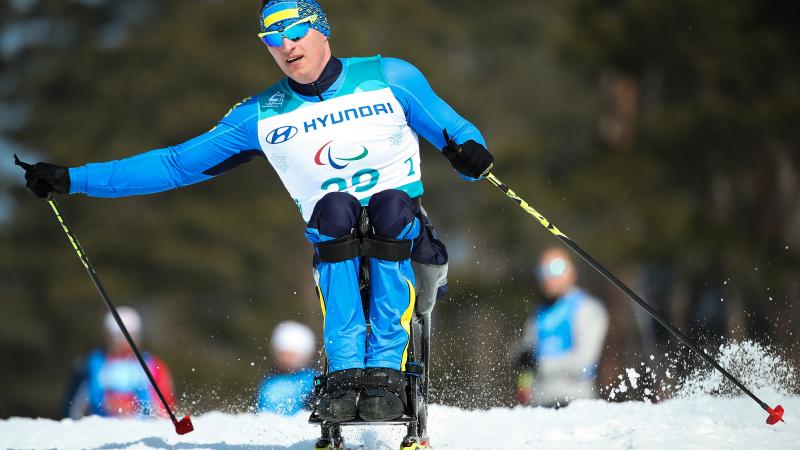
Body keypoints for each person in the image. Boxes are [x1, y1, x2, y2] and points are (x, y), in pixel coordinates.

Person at [20, 0, 493, 423]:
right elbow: (175, 163)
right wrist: (73, 179)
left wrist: (472, 153)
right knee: (333, 209)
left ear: (321, 29)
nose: (285, 45)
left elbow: (456, 130)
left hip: (411, 245)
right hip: (336, 242)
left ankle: (387, 370)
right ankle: (347, 371)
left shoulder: (390, 76)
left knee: (389, 206)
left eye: (293, 32)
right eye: (271, 38)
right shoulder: (261, 114)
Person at [514, 247, 609, 407]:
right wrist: (522, 363)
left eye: (556, 269)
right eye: (542, 271)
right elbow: (526, 355)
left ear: (572, 271)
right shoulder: (539, 313)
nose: (549, 277)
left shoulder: (586, 308)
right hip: (539, 404)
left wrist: (540, 363)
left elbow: (585, 363)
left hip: (576, 402)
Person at [63, 306, 175, 418]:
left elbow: (165, 405)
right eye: (116, 337)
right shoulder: (94, 363)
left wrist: (133, 406)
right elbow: (75, 406)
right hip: (101, 426)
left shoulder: (152, 365)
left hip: (141, 427)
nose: (120, 343)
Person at [256, 321, 318, 415]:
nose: (285, 359)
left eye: (290, 355)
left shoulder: (312, 380)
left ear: (304, 355)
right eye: (281, 354)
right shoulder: (269, 380)